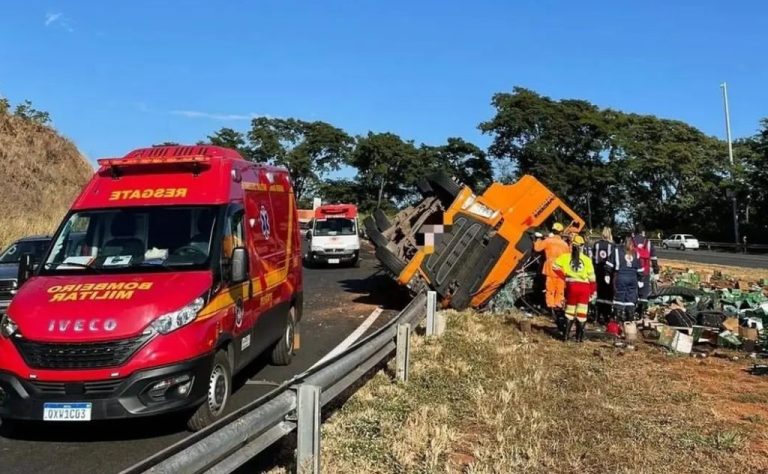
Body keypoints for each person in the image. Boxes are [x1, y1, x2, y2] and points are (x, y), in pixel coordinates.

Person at [553, 235, 596, 342]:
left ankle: (566, 337)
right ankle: (579, 339)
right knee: (582, 313)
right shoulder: (587, 260)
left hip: (572, 287)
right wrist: (593, 291)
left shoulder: (565, 257)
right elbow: (592, 278)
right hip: (584, 288)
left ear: (572, 245)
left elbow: (554, 266)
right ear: (582, 246)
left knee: (569, 312)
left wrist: (565, 277)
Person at [533, 222, 571, 317]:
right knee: (560, 289)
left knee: (550, 289)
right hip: (561, 269)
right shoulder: (565, 244)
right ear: (561, 232)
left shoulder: (548, 241)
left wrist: (538, 239)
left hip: (550, 268)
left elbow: (537, 249)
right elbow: (569, 256)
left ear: (553, 230)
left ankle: (550, 308)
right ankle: (558, 308)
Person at [607, 237, 643, 322]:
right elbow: (640, 269)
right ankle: (629, 321)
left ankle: (617, 322)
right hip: (633, 278)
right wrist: (640, 280)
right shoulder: (636, 253)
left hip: (621, 277)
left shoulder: (617, 251)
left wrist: (607, 274)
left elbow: (609, 264)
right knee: (630, 299)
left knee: (619, 298)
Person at [631, 224, 659, 318]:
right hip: (645, 271)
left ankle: (632, 312)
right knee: (643, 293)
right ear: (643, 232)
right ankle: (641, 313)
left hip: (633, 271)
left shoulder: (631, 241)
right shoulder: (648, 242)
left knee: (633, 291)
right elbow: (654, 259)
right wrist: (656, 272)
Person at [592, 227, 615, 324]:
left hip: (597, 271)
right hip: (607, 272)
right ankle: (606, 316)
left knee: (598, 292)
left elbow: (593, 257)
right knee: (608, 294)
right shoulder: (612, 245)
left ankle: (596, 315)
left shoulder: (596, 244)